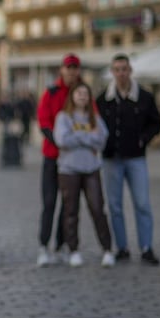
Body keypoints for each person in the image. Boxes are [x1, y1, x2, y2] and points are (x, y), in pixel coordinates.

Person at [96, 54, 160, 265]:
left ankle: (146, 247)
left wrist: (143, 139)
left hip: (136, 158)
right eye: (117, 69)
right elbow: (95, 124)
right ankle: (122, 247)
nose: (121, 73)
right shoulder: (103, 99)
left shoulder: (144, 97)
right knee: (115, 206)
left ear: (130, 70)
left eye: (124, 69)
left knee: (142, 203)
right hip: (111, 159)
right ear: (112, 72)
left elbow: (156, 123)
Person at [53, 83, 114, 268]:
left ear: (89, 98)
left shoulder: (95, 118)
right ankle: (73, 250)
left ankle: (107, 250)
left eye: (85, 93)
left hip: (91, 169)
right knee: (71, 211)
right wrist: (88, 136)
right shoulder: (63, 117)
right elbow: (62, 140)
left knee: (97, 209)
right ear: (72, 96)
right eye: (78, 93)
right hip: (68, 170)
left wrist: (77, 135)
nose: (82, 96)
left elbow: (102, 140)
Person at [35, 53, 82, 267]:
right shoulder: (51, 92)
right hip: (52, 157)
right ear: (62, 70)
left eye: (75, 68)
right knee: (49, 202)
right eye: (68, 67)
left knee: (68, 204)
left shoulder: (82, 93)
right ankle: (43, 246)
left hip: (73, 160)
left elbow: (92, 119)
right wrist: (57, 141)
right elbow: (43, 121)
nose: (71, 71)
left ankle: (62, 244)